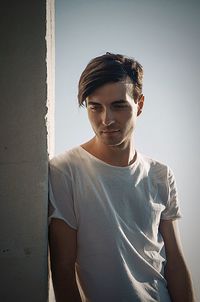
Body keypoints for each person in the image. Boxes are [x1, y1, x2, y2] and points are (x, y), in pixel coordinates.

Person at [48, 52, 195, 302]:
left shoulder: (160, 174)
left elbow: (176, 265)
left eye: (118, 105)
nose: (107, 120)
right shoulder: (65, 170)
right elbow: (62, 270)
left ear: (140, 104)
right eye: (95, 107)